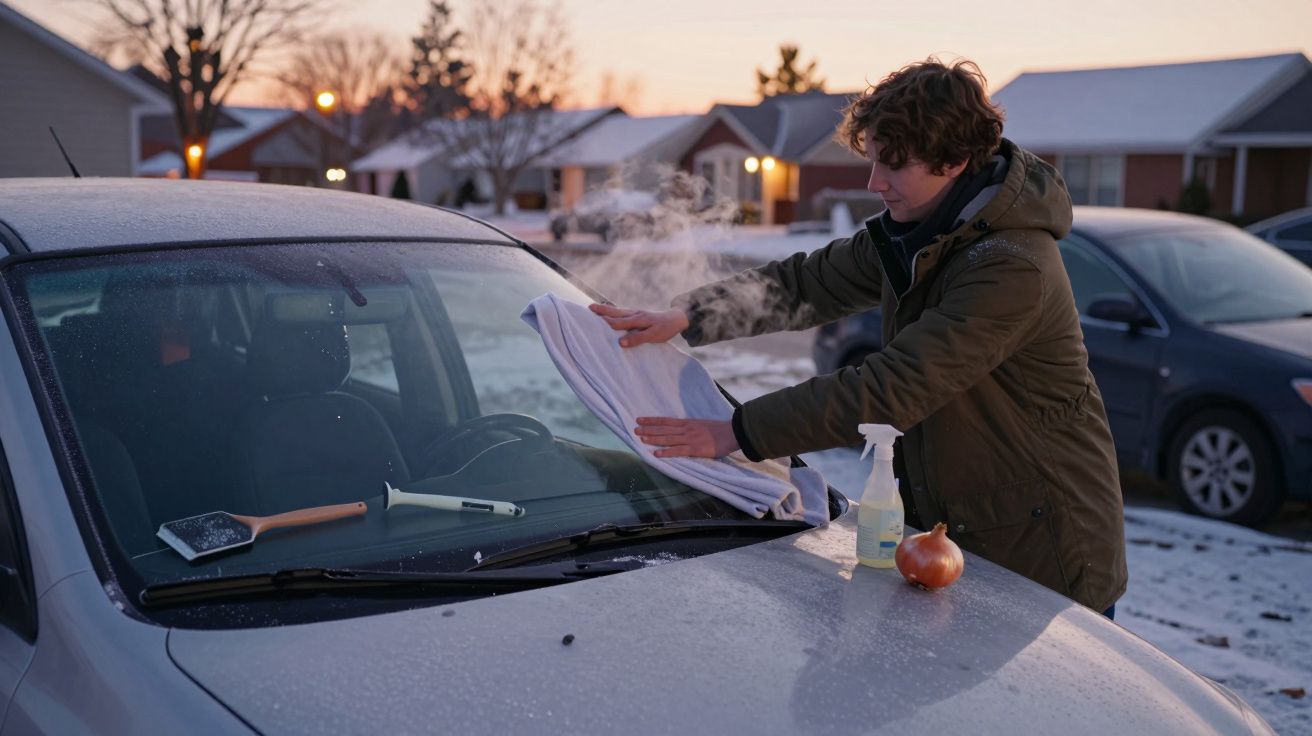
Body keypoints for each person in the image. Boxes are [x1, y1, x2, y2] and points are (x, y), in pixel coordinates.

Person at [589, 58, 1126, 616]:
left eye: (893, 164)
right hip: (963, 531)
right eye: (872, 160)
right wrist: (687, 315)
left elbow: (891, 388)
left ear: (955, 159)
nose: (874, 183)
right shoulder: (922, 230)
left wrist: (736, 433)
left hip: (1045, 547)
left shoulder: (1012, 266)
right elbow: (807, 283)